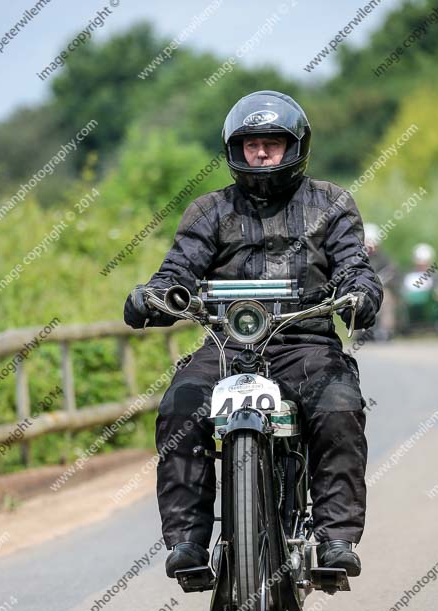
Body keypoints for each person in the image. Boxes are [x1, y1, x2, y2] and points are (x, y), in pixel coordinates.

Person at [124, 90, 383, 580]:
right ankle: (187, 542)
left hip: (304, 343)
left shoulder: (333, 204)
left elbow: (355, 266)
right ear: (234, 150)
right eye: (251, 144)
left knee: (339, 405)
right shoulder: (208, 211)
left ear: (296, 147)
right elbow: (178, 271)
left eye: (272, 143)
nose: (261, 153)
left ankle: (336, 538)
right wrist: (154, 297)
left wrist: (359, 294)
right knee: (181, 405)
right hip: (226, 345)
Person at [363, 223, 399, 341]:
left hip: (381, 289)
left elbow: (393, 274)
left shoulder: (384, 258)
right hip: (361, 289)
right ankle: (361, 330)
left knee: (387, 299)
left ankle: (385, 331)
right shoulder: (357, 257)